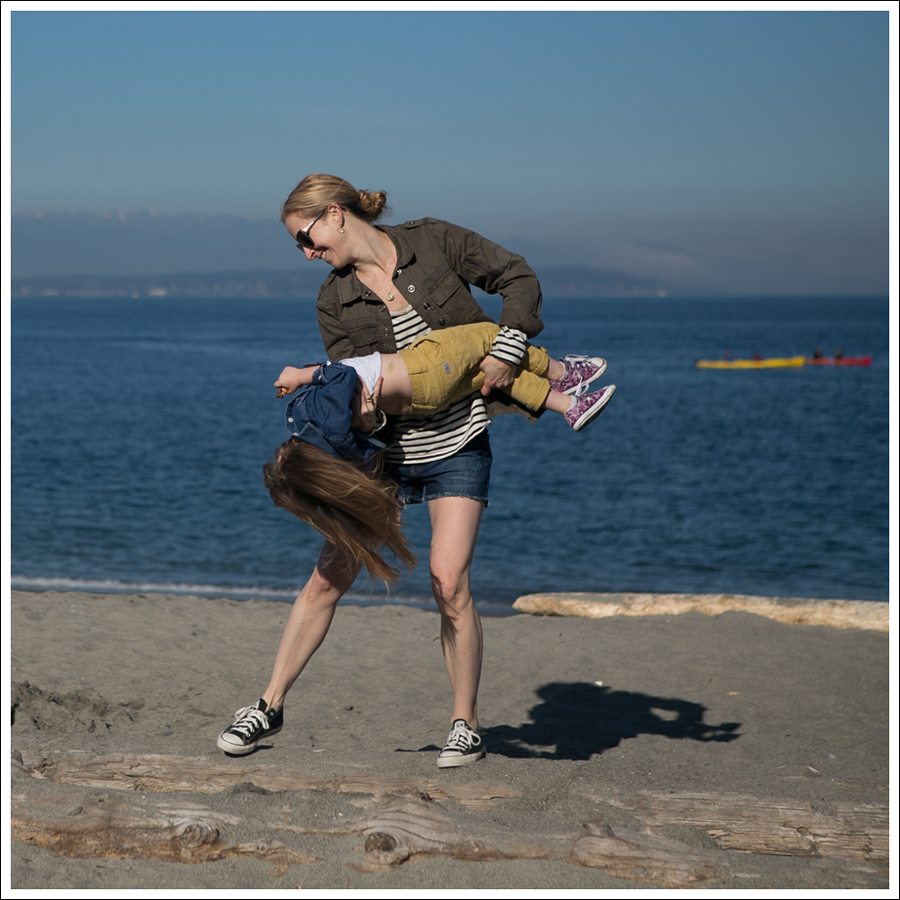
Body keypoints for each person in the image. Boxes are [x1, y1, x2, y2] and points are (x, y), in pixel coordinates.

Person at [218, 173, 603, 767]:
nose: (307, 252)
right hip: (384, 456)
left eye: (307, 236)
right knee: (327, 578)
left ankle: (465, 725)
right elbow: (357, 393)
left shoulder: (434, 242)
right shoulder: (333, 301)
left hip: (458, 440)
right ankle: (268, 705)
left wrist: (508, 345)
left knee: (449, 582)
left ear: (336, 214)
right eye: (299, 244)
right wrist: (362, 421)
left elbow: (516, 275)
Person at [263, 321, 616, 582]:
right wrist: (303, 374)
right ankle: (562, 370)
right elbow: (340, 376)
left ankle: (569, 404)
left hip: (423, 397)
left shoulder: (338, 453)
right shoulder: (315, 421)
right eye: (276, 459)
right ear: (288, 458)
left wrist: (366, 421)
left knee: (488, 371)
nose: (276, 451)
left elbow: (367, 431)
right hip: (423, 372)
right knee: (486, 337)